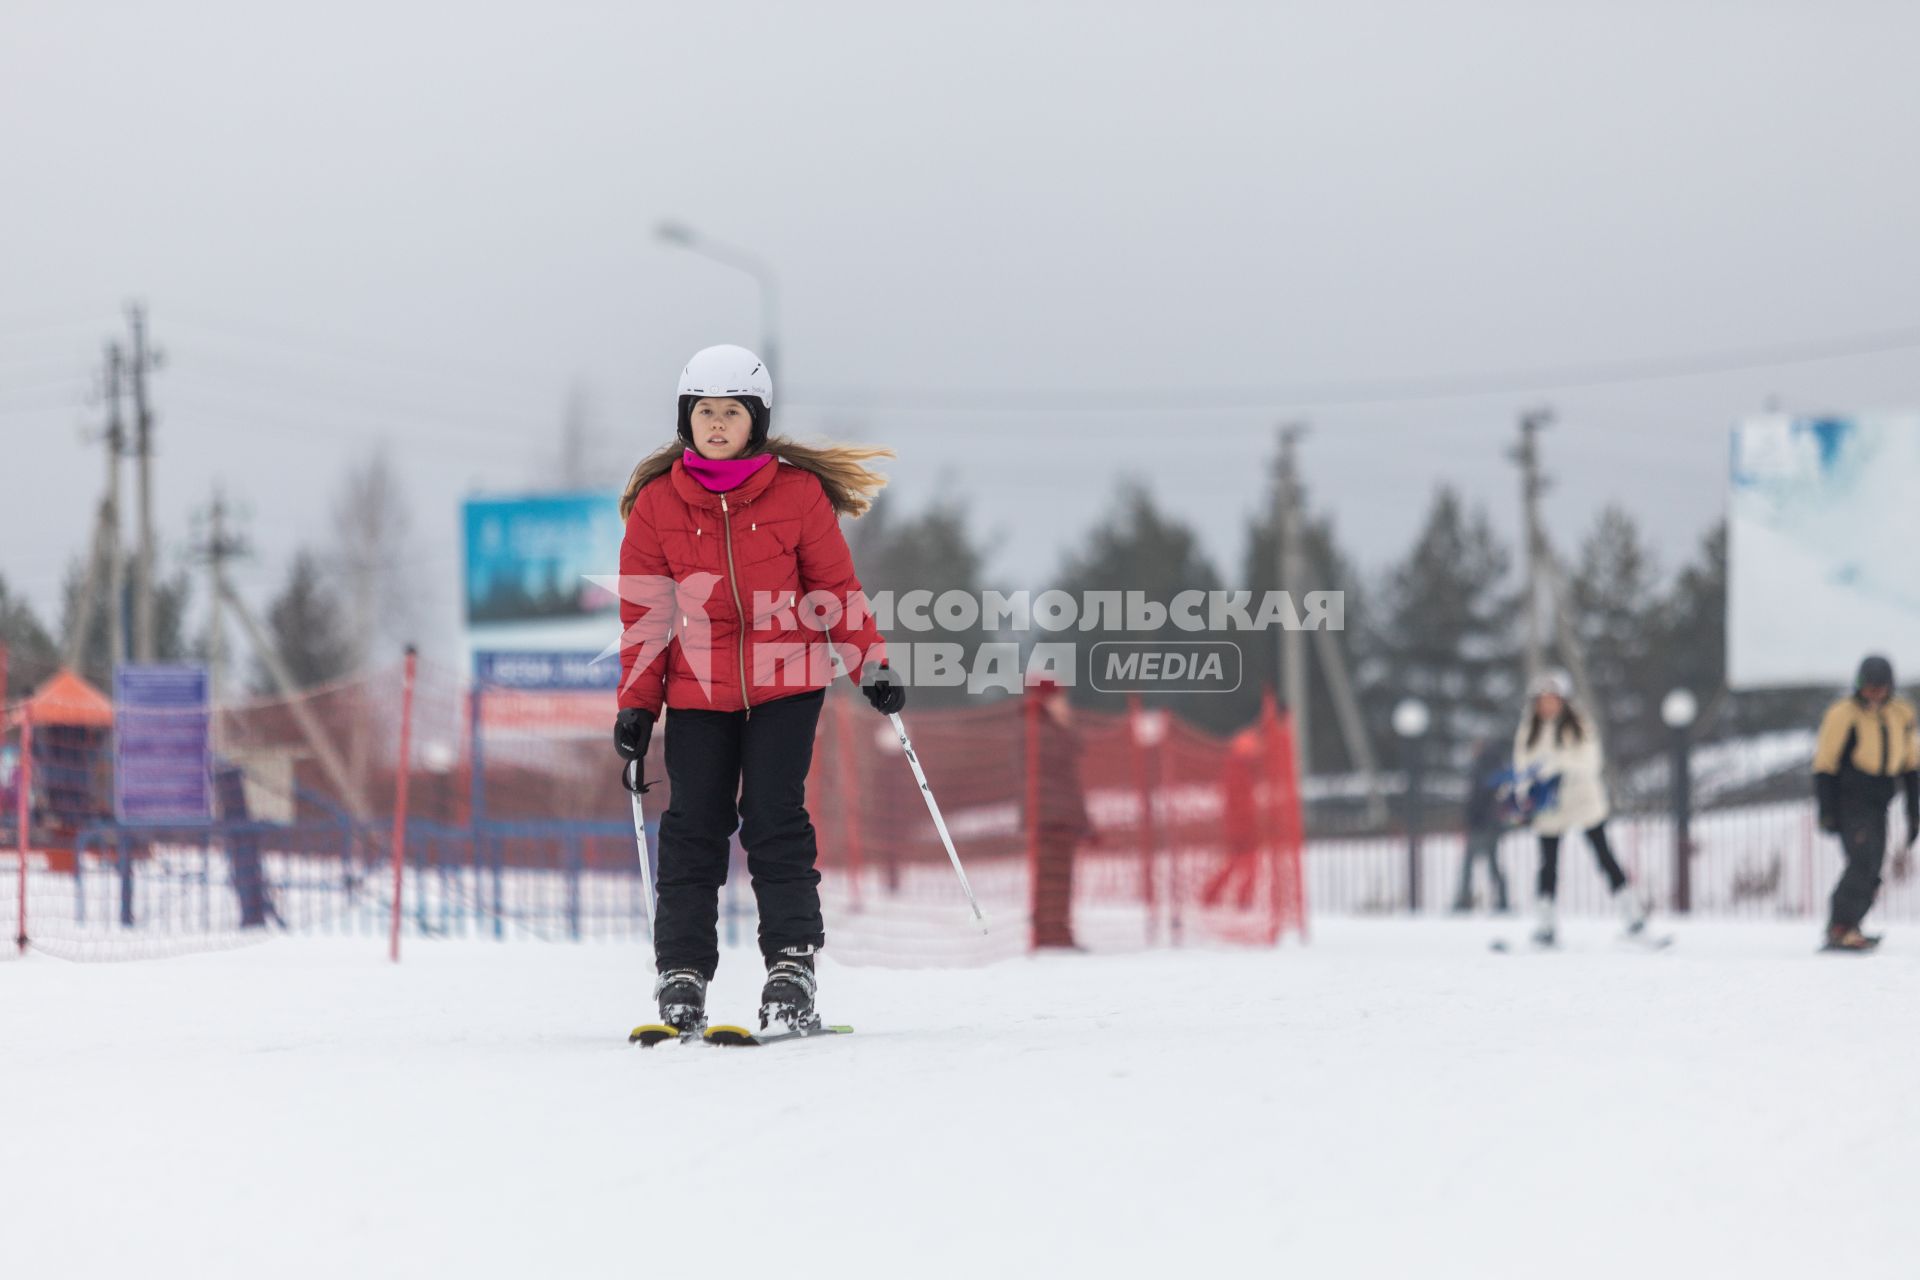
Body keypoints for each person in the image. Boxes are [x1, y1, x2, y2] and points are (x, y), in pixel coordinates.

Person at [613, 344, 903, 1032]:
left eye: (731, 414)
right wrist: (635, 704)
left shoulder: (796, 494)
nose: (717, 425)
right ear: (688, 419)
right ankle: (681, 974)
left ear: (756, 422)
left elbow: (837, 591)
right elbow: (646, 616)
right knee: (692, 827)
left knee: (775, 817)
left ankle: (791, 970)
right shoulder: (658, 504)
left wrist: (873, 666)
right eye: (705, 412)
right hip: (698, 689)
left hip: (787, 685)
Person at [1512, 670, 1648, 947]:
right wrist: (1523, 790)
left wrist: (1555, 765)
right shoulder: (1529, 730)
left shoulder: (1580, 726)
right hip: (1549, 806)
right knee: (1548, 864)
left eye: (1552, 699)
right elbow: (1521, 766)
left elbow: (1590, 763)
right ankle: (1546, 925)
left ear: (1563, 700)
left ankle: (1632, 916)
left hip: (1584, 802)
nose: (1547, 705)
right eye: (1543, 700)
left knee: (1604, 856)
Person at [1811, 654, 1919, 953]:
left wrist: (1914, 811)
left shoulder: (1901, 713)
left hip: (1881, 798)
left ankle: (1852, 924)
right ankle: (1839, 926)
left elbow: (1911, 764)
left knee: (1873, 865)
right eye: (1868, 688)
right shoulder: (1844, 713)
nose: (1874, 694)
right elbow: (1825, 764)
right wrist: (1827, 811)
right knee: (1861, 861)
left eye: (1879, 688)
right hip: (1851, 798)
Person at [1026, 676, 1091, 949]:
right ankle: (1049, 936)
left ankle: (1057, 933)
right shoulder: (1037, 729)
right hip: (1049, 816)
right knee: (1050, 878)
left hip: (1060, 815)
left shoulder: (1047, 727)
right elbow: (1054, 772)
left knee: (1060, 879)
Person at [1451, 737, 1512, 914]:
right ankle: (1501, 900)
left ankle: (1464, 899)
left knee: (1471, 863)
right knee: (1491, 863)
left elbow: (1478, 798)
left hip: (1481, 824)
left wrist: (1471, 819)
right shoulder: (1494, 767)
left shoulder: (1483, 768)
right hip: (1489, 823)